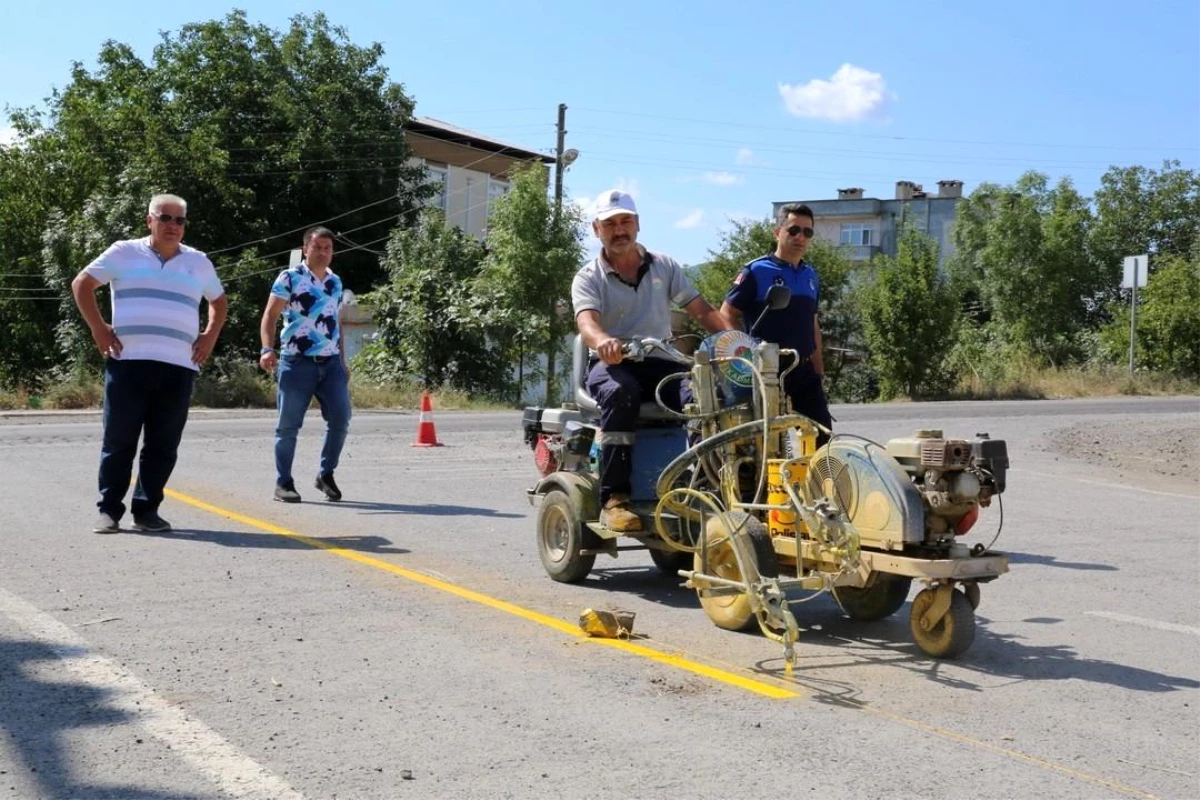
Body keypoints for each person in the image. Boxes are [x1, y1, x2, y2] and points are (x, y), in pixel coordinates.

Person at [572, 189, 728, 532]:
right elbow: (586, 323)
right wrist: (604, 342)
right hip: (612, 364)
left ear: (638, 224)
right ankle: (615, 500)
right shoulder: (588, 276)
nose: (619, 229)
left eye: (625, 221)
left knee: (705, 396)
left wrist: (734, 342)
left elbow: (700, 309)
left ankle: (708, 491)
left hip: (660, 363)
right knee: (620, 392)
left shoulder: (664, 266)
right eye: (610, 223)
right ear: (597, 229)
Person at [71, 193, 228, 533]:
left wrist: (209, 335)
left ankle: (146, 511)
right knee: (120, 439)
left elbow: (219, 301)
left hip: (179, 366)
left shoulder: (198, 262)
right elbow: (82, 284)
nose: (172, 225)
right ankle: (109, 511)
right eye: (165, 218)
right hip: (128, 363)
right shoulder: (124, 252)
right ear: (149, 220)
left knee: (163, 444)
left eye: (179, 220)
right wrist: (99, 328)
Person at [720, 203, 832, 445]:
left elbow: (813, 324)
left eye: (807, 232)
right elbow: (727, 313)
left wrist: (819, 370)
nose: (800, 237)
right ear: (777, 232)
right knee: (767, 444)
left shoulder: (811, 276)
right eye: (793, 230)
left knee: (822, 437)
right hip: (766, 371)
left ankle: (818, 483)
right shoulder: (756, 271)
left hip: (802, 370)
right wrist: (744, 356)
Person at [258, 226, 351, 503]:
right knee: (288, 426)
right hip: (297, 361)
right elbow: (270, 316)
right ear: (306, 248)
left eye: (328, 248)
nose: (323, 252)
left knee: (341, 419)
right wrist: (266, 348)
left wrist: (343, 361)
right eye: (318, 246)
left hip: (331, 362)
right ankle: (283, 482)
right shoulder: (290, 277)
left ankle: (326, 474)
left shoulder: (335, 282)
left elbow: (336, 323)